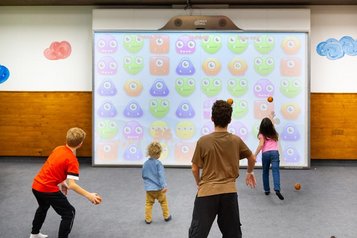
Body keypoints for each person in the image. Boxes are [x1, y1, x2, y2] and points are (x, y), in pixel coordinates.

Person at [188, 99, 256, 238]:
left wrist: (198, 182)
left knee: (197, 234)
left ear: (212, 118)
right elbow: (252, 158)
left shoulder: (203, 141)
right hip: (229, 193)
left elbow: (195, 168)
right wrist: (249, 172)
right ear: (230, 120)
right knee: (233, 234)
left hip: (206, 192)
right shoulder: (236, 140)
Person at [29, 127, 102, 238]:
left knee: (43, 207)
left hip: (36, 186)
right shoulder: (72, 161)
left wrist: (62, 181)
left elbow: (53, 168)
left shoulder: (58, 149)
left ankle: (34, 234)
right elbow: (72, 185)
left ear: (67, 139)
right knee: (69, 213)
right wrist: (89, 195)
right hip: (47, 189)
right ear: (80, 144)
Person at [254, 117, 284, 200]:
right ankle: (277, 189)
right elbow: (271, 125)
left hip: (266, 154)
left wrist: (255, 154)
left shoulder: (261, 135)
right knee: (276, 171)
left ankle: (267, 190)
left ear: (261, 127)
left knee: (265, 172)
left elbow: (261, 145)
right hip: (275, 153)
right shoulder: (274, 133)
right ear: (271, 126)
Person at [142, 142, 172, 224]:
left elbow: (143, 175)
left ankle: (148, 219)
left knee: (148, 203)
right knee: (163, 202)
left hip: (149, 189)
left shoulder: (145, 164)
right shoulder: (158, 163)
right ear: (158, 154)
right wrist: (164, 186)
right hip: (159, 189)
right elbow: (161, 176)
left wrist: (147, 183)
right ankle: (166, 216)